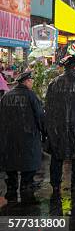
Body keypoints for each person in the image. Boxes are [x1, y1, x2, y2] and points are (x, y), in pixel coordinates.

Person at [45, 55, 75, 193]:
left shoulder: (53, 83)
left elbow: (47, 106)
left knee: (57, 154)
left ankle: (55, 184)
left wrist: (49, 125)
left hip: (57, 125)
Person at [0, 72, 45, 203]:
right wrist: (44, 132)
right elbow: (40, 115)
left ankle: (11, 188)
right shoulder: (31, 95)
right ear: (26, 81)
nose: (32, 82)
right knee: (28, 163)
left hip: (8, 136)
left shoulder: (6, 96)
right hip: (28, 136)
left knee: (11, 163)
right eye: (31, 80)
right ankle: (26, 186)